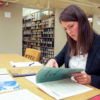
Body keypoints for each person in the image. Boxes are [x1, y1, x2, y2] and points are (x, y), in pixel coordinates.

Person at [45, 4, 100, 89]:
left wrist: (91, 79)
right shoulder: (71, 43)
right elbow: (58, 59)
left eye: (71, 26)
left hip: (91, 92)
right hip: (71, 88)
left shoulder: (98, 43)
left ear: (83, 23)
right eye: (65, 29)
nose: (69, 32)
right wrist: (53, 61)